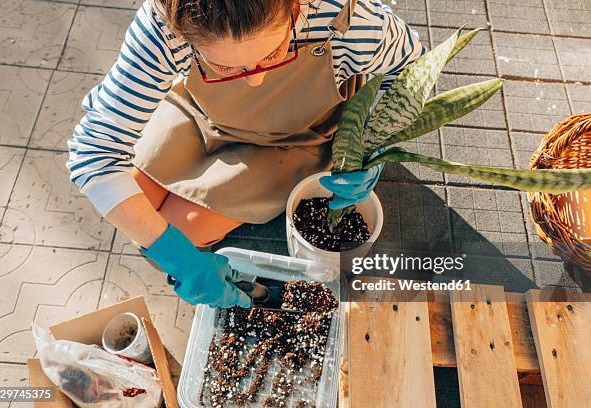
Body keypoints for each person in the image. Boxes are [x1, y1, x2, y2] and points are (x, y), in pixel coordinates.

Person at [67, 0, 423, 308]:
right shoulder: (161, 25)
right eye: (224, 67)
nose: (253, 80)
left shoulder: (349, 18)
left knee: (178, 230)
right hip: (204, 113)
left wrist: (371, 143)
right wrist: (174, 256)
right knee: (142, 215)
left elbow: (411, 67)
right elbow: (94, 154)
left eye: (271, 55)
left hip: (295, 137)